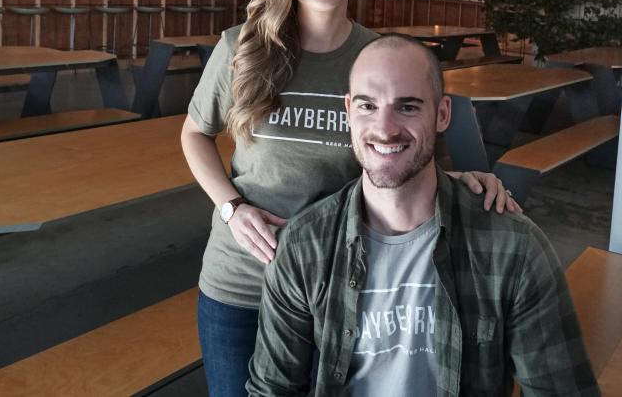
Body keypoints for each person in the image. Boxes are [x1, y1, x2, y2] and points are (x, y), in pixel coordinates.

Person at [180, 0, 520, 397]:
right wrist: (232, 208)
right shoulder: (242, 48)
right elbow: (194, 133)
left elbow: (394, 157)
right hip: (240, 281)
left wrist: (462, 182)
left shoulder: (379, 58)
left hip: (336, 283)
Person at [247, 35, 599, 397]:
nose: (385, 129)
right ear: (348, 111)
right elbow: (272, 390)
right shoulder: (306, 246)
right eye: (368, 106)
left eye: (408, 107)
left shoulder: (513, 248)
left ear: (443, 114)